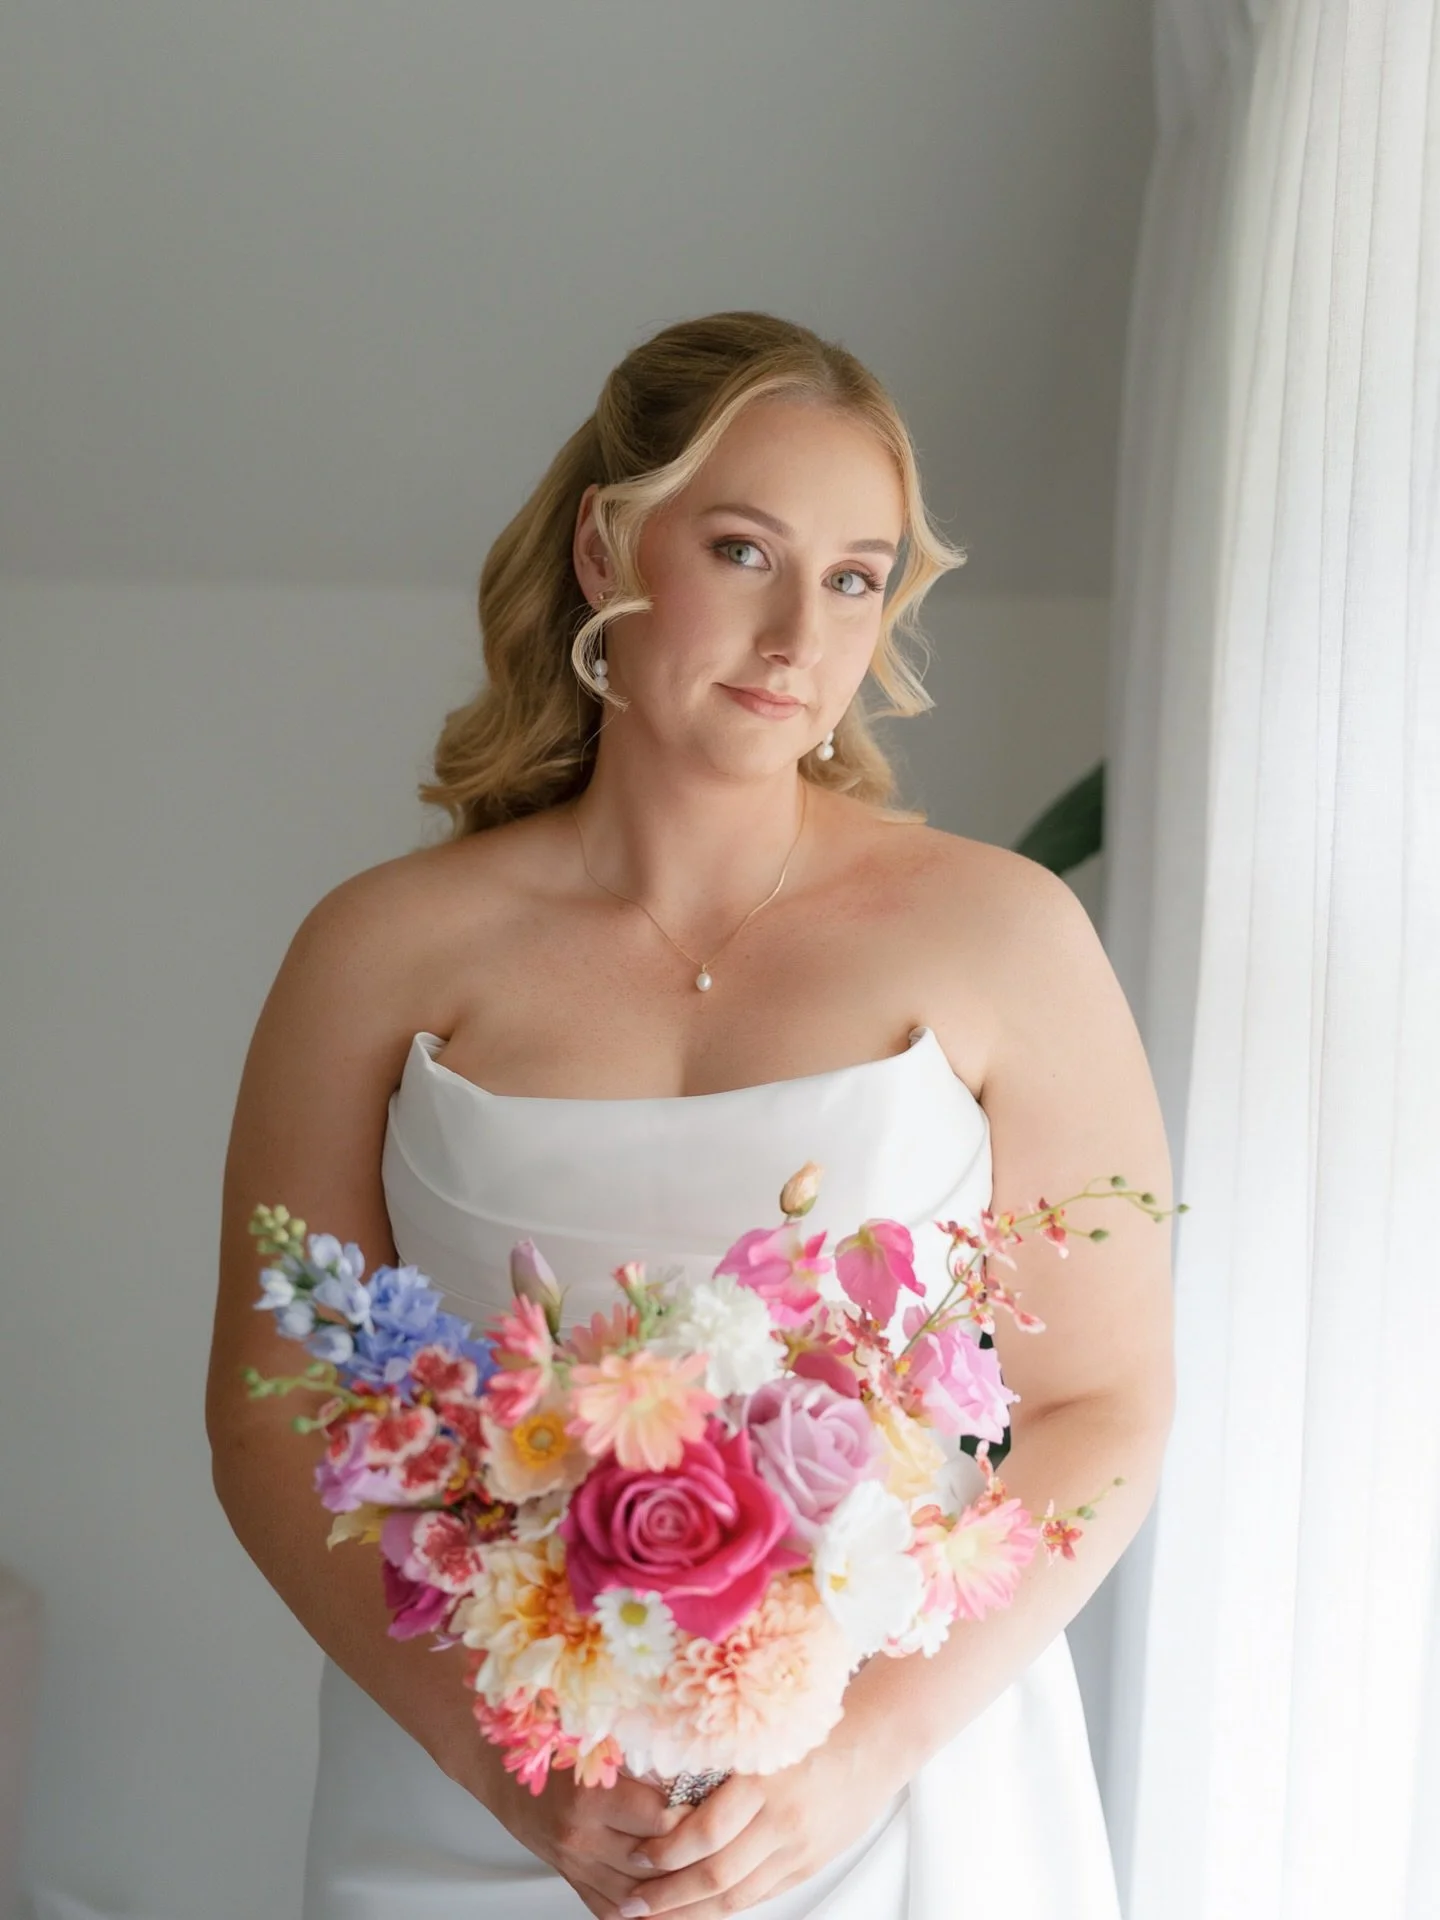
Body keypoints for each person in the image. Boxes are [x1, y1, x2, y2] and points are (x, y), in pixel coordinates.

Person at [206, 309, 1175, 1919]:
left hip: (902, 1800)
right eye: (744, 550)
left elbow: (1106, 1406)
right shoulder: (376, 950)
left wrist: (863, 1755)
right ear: (607, 549)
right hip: (489, 1803)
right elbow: (275, 1413)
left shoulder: (1003, 934)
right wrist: (504, 1765)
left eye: (857, 576)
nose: (802, 631)